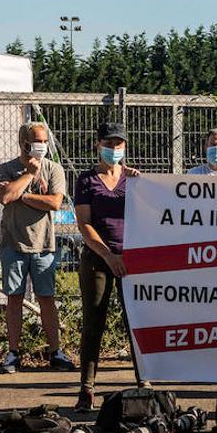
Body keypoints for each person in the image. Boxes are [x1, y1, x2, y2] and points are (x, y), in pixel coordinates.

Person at [0, 121, 76, 373]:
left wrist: (23, 195)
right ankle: (13, 353)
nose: (42, 146)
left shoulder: (54, 170)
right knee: (14, 298)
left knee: (46, 299)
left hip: (43, 245)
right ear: (24, 143)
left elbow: (54, 202)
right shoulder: (6, 169)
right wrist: (28, 174)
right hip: (13, 244)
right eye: (37, 141)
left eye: (44, 141)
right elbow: (5, 197)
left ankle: (55, 351)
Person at [73, 122, 142, 411]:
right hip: (98, 258)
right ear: (97, 145)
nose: (114, 149)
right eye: (109, 143)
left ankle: (144, 382)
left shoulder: (136, 179)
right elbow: (84, 225)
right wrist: (108, 256)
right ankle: (87, 388)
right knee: (93, 324)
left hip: (133, 259)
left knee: (137, 322)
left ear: (125, 147)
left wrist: (144, 184)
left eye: (119, 144)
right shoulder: (87, 180)